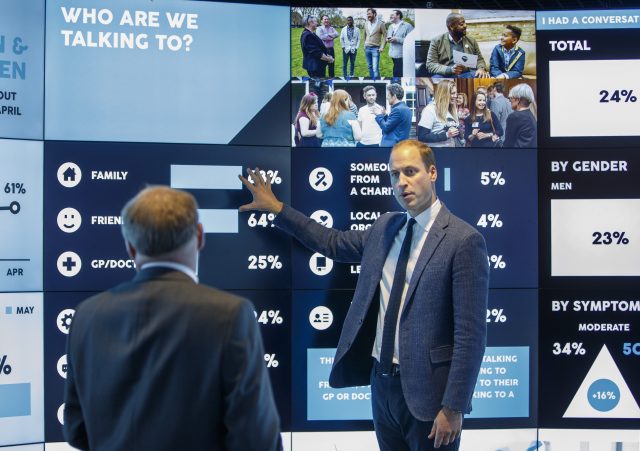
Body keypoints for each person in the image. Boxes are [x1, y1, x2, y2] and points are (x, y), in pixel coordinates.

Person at [238, 139, 489, 451]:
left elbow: (471, 335)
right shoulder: (387, 227)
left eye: (411, 172)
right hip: (382, 387)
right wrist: (278, 209)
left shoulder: (463, 240)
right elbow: (332, 242)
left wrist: (454, 408)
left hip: (431, 397)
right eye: (394, 175)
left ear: (433, 172)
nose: (402, 182)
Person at [63, 186, 282, 451]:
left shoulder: (87, 316)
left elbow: (77, 432)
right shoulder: (230, 315)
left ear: (131, 247)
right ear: (199, 236)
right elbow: (257, 441)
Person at [425, 13, 489, 78]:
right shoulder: (437, 41)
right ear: (451, 27)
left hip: (466, 74)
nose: (465, 26)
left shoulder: (471, 41)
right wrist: (450, 69)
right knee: (436, 78)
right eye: (461, 24)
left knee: (480, 75)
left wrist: (481, 68)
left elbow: (479, 60)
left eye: (465, 23)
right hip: (446, 75)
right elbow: (431, 65)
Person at [417, 80, 462, 147]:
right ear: (443, 93)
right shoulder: (430, 110)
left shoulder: (452, 108)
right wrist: (446, 135)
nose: (455, 96)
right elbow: (422, 136)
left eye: (456, 93)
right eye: (452, 93)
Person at [503, 83, 537, 148]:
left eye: (510, 98)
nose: (509, 101)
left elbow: (508, 144)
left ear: (517, 100)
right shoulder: (530, 114)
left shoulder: (515, 116)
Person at [386, 10, 414, 80]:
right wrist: (388, 39)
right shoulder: (390, 26)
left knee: (399, 72)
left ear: (398, 15)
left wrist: (397, 39)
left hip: (402, 55)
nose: (390, 16)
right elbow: (388, 36)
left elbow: (411, 41)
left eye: (392, 14)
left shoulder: (408, 26)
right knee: (396, 70)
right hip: (393, 54)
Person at [364, 8, 386, 79]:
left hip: (375, 49)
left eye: (369, 14)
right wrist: (365, 44)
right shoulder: (366, 23)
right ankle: (372, 79)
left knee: (375, 68)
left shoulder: (381, 24)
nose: (368, 15)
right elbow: (364, 34)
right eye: (367, 14)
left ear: (374, 14)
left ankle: (377, 81)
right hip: (367, 48)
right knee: (369, 66)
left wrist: (382, 47)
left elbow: (385, 36)